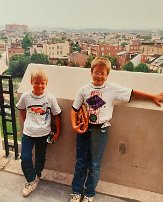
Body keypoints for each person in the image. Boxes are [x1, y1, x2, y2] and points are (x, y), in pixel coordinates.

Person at [70, 57, 163, 202]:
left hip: (100, 131)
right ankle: (76, 192)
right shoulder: (84, 90)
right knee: (81, 161)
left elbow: (132, 93)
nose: (99, 76)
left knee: (95, 164)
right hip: (84, 129)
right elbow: (74, 109)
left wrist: (152, 97)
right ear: (91, 72)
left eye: (102, 73)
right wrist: (74, 125)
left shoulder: (112, 89)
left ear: (107, 75)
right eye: (96, 72)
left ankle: (89, 193)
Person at [16, 68, 61, 197]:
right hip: (28, 133)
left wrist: (57, 132)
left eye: (42, 83)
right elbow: (21, 109)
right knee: (25, 157)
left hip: (44, 134)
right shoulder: (25, 96)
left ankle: (38, 175)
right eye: (36, 82)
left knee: (41, 156)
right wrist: (26, 122)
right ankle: (31, 180)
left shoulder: (50, 98)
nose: (39, 86)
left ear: (46, 83)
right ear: (31, 82)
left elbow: (57, 115)